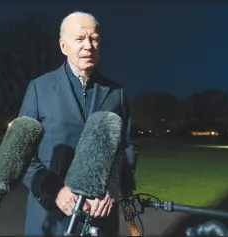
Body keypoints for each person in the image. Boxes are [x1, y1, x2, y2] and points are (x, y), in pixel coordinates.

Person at [18, 11, 138, 236]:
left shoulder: (116, 93)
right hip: (50, 217)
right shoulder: (39, 89)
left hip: (100, 217)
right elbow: (22, 154)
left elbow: (127, 148)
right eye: (80, 39)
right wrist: (55, 191)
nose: (89, 46)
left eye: (94, 39)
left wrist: (113, 187)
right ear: (64, 47)